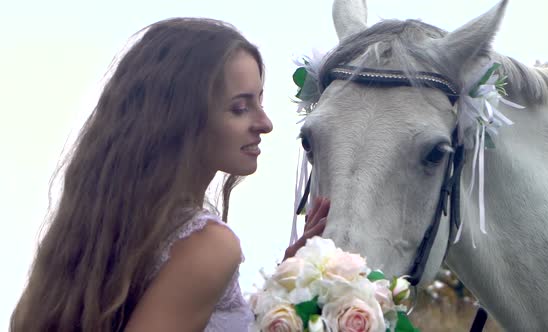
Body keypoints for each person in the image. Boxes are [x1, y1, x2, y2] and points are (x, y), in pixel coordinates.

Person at [10, 17, 330, 332]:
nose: (265, 123)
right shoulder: (207, 245)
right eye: (239, 108)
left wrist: (285, 287)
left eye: (259, 100)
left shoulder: (114, 228)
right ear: (180, 118)